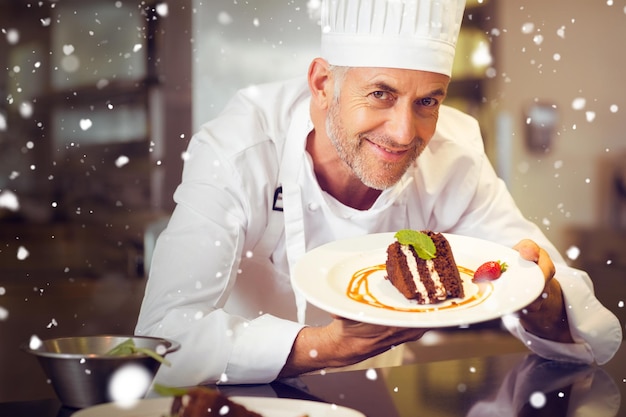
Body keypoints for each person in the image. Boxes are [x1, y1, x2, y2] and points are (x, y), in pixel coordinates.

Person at [135, 0, 622, 386]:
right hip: (237, 393)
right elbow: (161, 339)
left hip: (370, 389)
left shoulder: (453, 156)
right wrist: (329, 346)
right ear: (323, 84)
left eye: (427, 101)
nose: (404, 132)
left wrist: (541, 299)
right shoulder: (239, 150)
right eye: (381, 93)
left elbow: (577, 333)